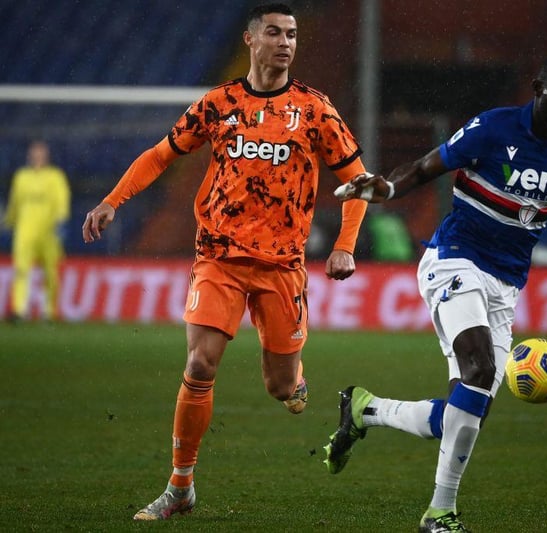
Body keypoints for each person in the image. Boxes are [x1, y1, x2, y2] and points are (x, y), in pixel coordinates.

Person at [82, 3, 370, 521]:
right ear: (251, 40)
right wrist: (112, 200)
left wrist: (345, 245)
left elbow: (358, 181)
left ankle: (293, 379)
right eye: (275, 33)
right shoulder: (219, 104)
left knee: (279, 386)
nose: (285, 42)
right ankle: (181, 486)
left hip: (282, 267)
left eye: (293, 35)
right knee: (199, 364)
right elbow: (161, 154)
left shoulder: (315, 109)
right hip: (218, 258)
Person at [326, 50, 547, 532]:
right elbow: (424, 167)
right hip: (455, 258)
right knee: (479, 369)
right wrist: (387, 190)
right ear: (539, 90)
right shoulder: (493, 129)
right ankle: (440, 514)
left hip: (506, 284)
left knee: (463, 414)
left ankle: (365, 410)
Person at [4, 140, 71, 322]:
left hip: (48, 232)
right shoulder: (21, 177)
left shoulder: (55, 177)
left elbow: (62, 201)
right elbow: (14, 204)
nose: (37, 156)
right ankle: (19, 310)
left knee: (51, 272)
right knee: (21, 270)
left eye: (40, 153)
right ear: (29, 155)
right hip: (24, 231)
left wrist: (60, 222)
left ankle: (49, 311)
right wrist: (8, 222)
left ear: (46, 156)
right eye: (34, 153)